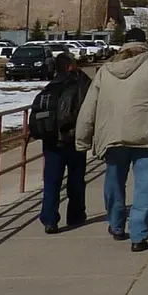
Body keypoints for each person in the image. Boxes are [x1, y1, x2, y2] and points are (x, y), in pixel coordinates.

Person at [75, 26, 148, 252]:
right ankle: (139, 234)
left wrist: (82, 139)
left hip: (112, 136)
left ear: (124, 44)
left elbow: (89, 107)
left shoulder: (106, 69)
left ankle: (116, 225)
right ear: (145, 43)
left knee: (114, 183)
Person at [29, 49, 92, 233]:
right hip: (73, 139)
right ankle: (75, 215)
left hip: (51, 142)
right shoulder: (79, 85)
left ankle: (49, 219)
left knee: (51, 181)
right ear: (70, 66)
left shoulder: (50, 87)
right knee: (76, 180)